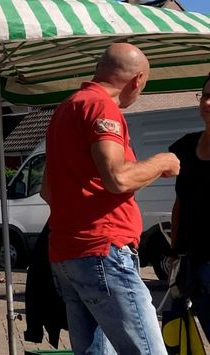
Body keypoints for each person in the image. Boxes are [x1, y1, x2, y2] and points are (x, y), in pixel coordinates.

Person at [42, 42, 181, 355]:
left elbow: (48, 191)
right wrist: (162, 162)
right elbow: (118, 178)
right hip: (103, 251)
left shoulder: (66, 109)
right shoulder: (102, 107)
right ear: (137, 79)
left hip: (67, 253)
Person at [167, 74, 210, 330]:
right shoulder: (185, 146)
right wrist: (173, 253)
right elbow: (180, 204)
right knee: (183, 335)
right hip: (189, 263)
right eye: (205, 96)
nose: (207, 102)